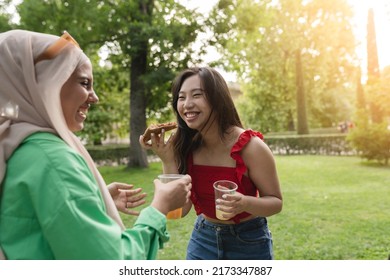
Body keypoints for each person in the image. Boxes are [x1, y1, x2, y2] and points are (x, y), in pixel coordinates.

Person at [0, 29, 192, 260]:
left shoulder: (11, 143)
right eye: (84, 83)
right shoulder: (53, 158)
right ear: (44, 83)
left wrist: (95, 198)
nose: (94, 97)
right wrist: (159, 207)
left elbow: (28, 221)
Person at [140, 66, 282, 260]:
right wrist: (167, 159)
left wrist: (244, 203)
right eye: (181, 97)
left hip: (249, 243)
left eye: (196, 95)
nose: (187, 104)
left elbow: (275, 203)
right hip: (203, 240)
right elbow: (179, 210)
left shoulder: (251, 147)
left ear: (217, 98)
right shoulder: (186, 146)